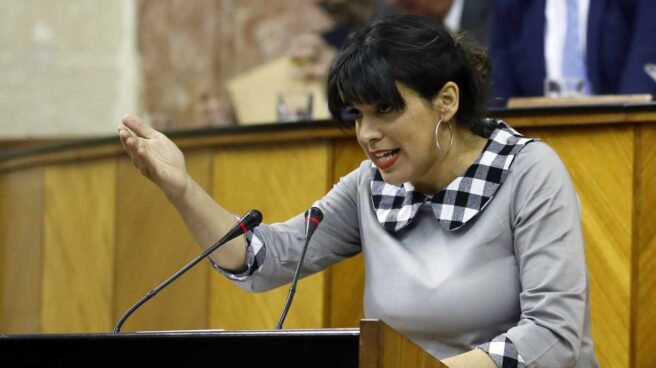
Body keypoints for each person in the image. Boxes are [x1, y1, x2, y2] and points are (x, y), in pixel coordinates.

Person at [119, 15, 598, 367]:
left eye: (386, 110)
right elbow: (263, 260)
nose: (367, 134)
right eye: (356, 115)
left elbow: (552, 336)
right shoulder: (370, 185)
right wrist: (182, 189)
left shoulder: (529, 172)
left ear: (446, 101)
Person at [489, 0, 656, 105]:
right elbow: (500, 93)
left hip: (619, 141)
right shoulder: (513, 6)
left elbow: (640, 86)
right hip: (538, 142)